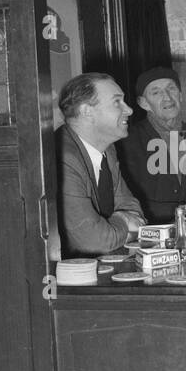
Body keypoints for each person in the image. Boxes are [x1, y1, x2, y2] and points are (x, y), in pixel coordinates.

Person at [55, 72, 145, 256]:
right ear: (87, 111)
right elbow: (94, 241)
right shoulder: (62, 157)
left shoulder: (107, 149)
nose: (129, 110)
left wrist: (118, 226)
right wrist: (123, 220)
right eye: (117, 102)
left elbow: (132, 210)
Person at [118, 67, 186, 223]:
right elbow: (126, 198)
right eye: (156, 93)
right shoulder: (127, 142)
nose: (167, 98)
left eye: (171, 89)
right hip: (149, 232)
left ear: (181, 95)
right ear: (144, 103)